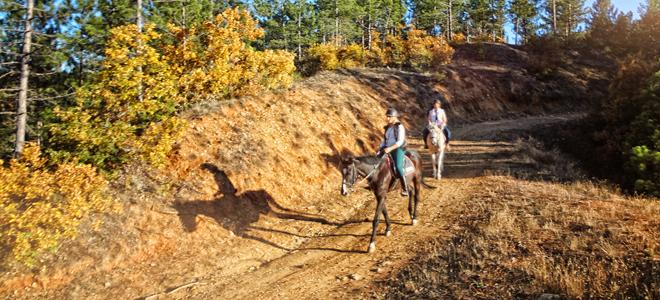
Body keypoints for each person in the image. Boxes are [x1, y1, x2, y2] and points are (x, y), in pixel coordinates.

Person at [377, 107, 409, 196]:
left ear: (394, 117)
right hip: (387, 148)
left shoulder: (400, 127)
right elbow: (385, 140)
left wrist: (390, 148)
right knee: (376, 162)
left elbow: (400, 141)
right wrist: (380, 148)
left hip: (397, 149)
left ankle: (405, 188)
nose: (387, 118)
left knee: (398, 167)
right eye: (387, 116)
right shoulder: (388, 127)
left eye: (389, 116)